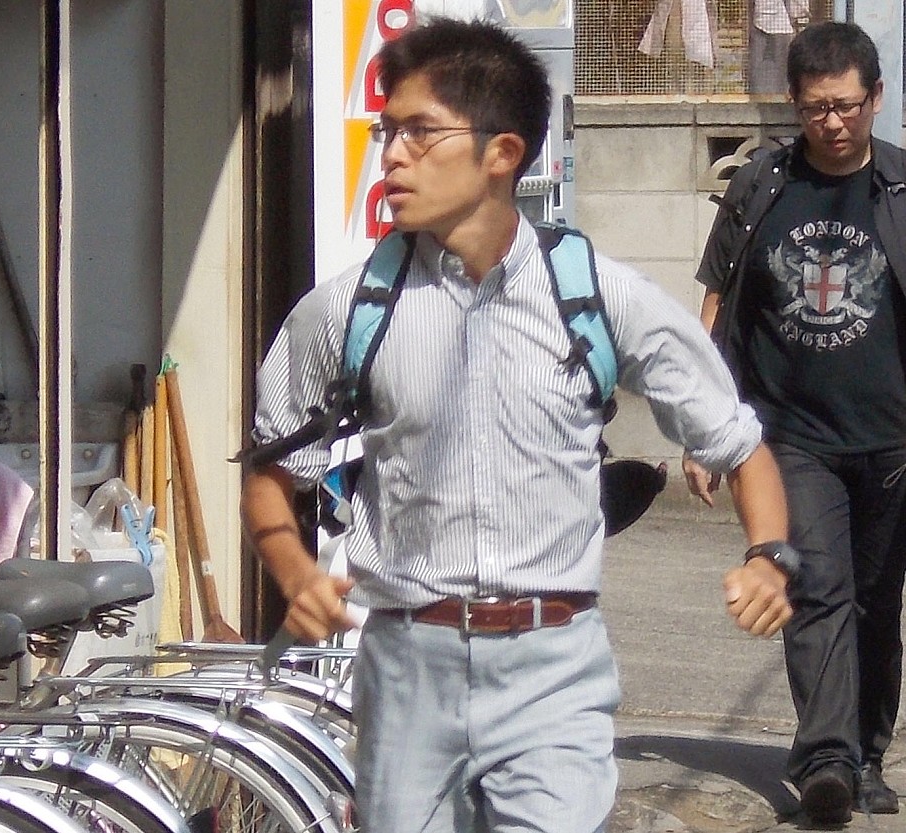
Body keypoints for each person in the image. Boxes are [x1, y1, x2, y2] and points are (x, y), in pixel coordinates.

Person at [243, 16, 793, 833]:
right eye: (388, 131)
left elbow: (739, 446)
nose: (391, 155)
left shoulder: (596, 295)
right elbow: (270, 471)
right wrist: (294, 571)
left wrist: (768, 557)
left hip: (553, 669)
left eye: (420, 132)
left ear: (501, 152)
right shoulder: (349, 309)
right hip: (405, 668)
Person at [685, 20, 906, 826]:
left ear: (875, 97)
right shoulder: (761, 187)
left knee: (877, 605)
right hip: (790, 438)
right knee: (816, 588)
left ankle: (868, 753)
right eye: (816, 108)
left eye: (846, 105)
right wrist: (706, 427)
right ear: (794, 103)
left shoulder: (901, 187)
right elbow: (717, 303)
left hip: (891, 441)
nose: (833, 122)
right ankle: (826, 763)